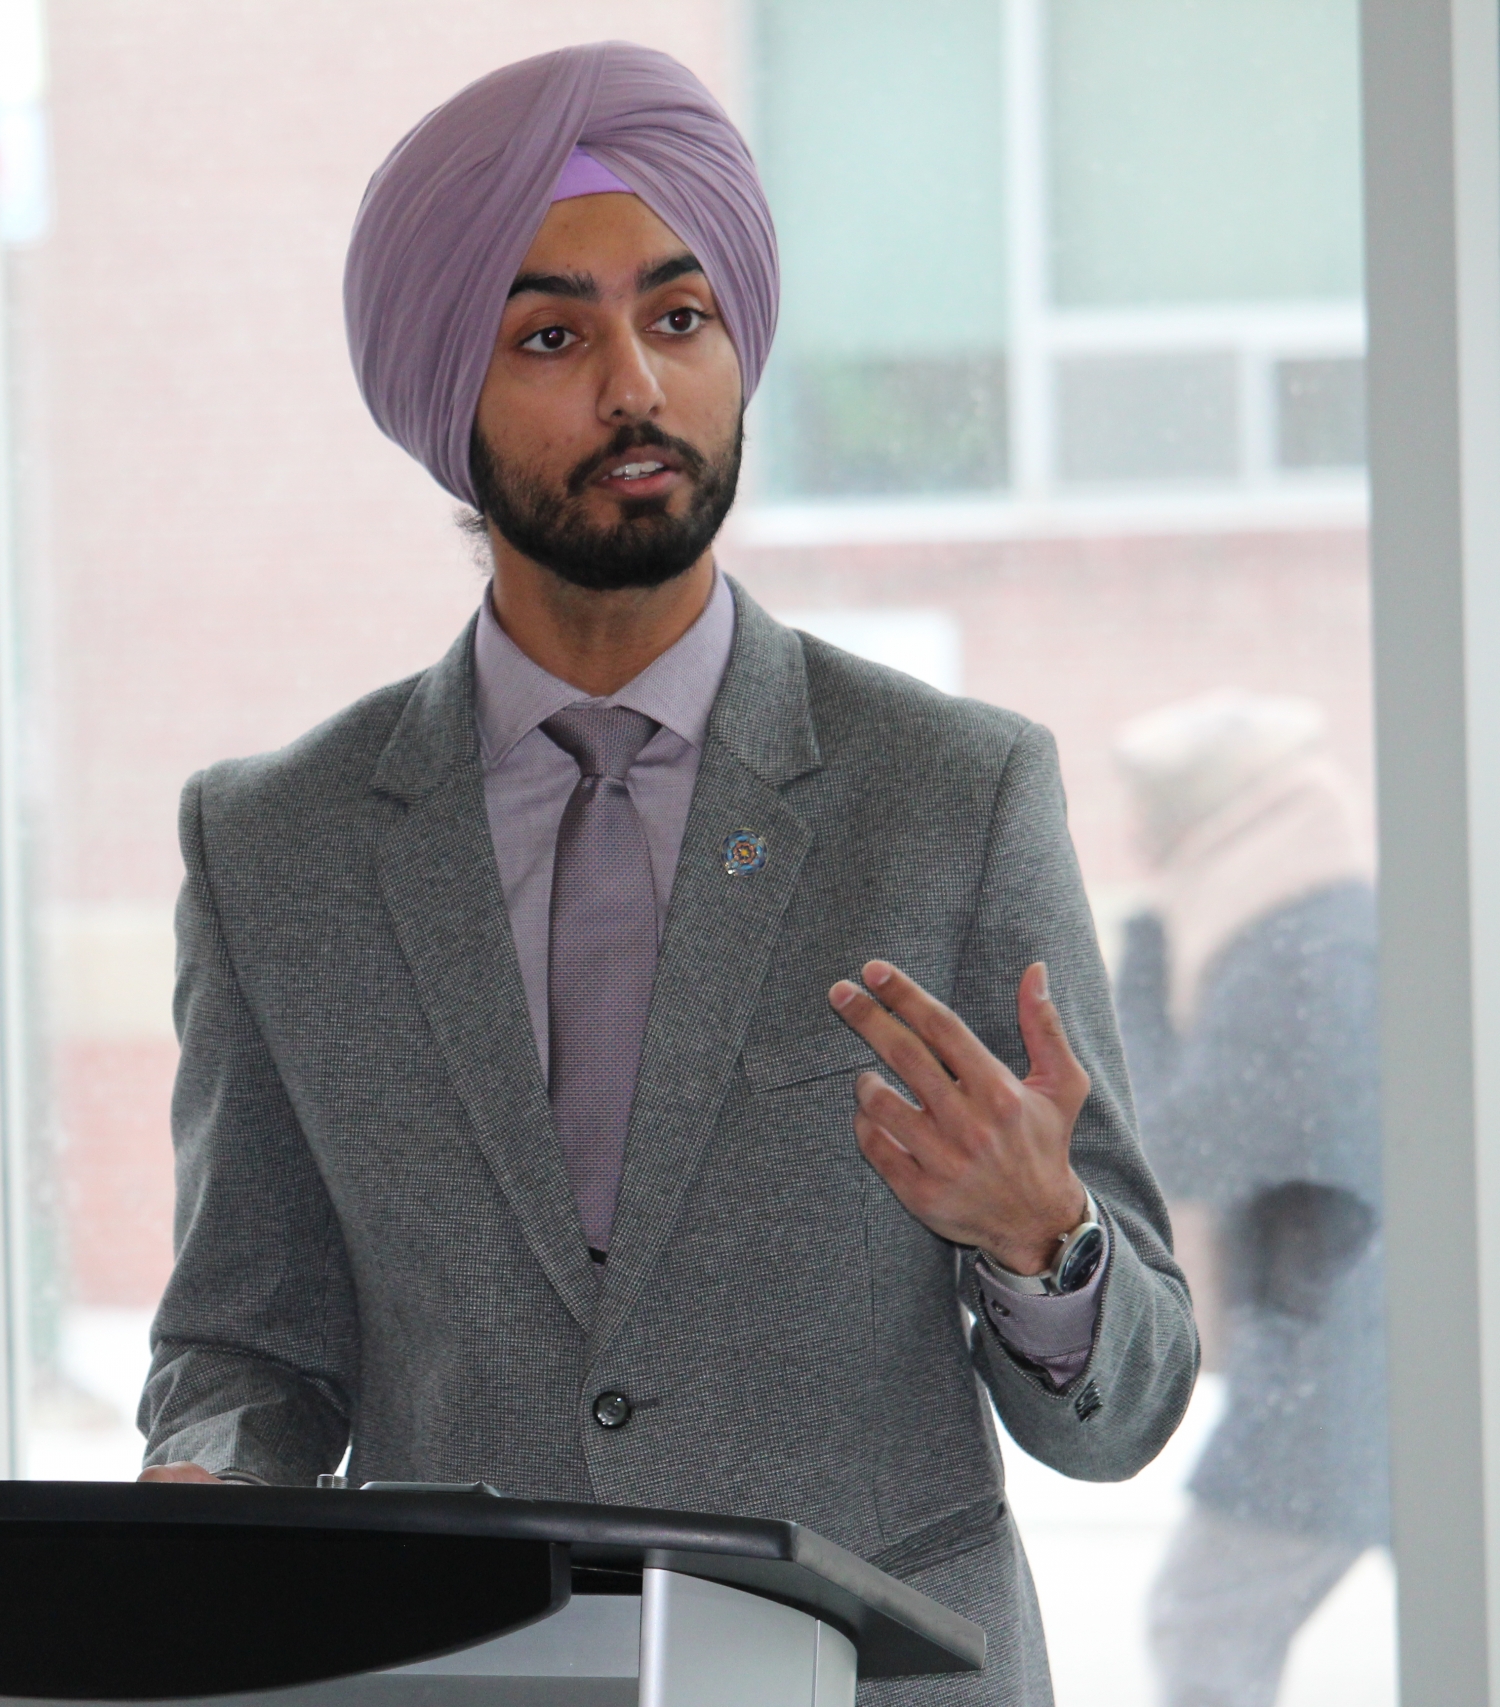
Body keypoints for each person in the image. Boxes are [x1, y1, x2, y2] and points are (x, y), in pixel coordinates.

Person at [134, 42, 1198, 1706]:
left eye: (679, 319)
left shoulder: (956, 794)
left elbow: (1125, 1413)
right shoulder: (280, 848)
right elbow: (247, 1347)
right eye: (553, 335)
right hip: (459, 1679)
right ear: (447, 401)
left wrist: (1044, 1246)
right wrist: (209, 1481)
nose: (634, 384)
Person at [1111, 694, 1387, 1707]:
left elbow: (1187, 1142)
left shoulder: (1295, 942)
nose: (1131, 841)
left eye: (1144, 814)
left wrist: (1135, 973)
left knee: (1203, 1620)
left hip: (1348, 1348)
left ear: (1199, 820)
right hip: (1351, 1333)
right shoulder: (1307, 922)